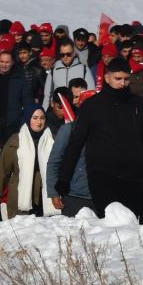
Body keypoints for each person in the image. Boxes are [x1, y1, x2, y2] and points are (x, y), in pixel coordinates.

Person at [55, 58, 143, 223]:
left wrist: (140, 160)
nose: (122, 83)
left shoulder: (137, 104)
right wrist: (64, 178)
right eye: (118, 79)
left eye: (126, 79)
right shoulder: (92, 105)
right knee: (109, 222)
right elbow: (76, 143)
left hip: (132, 176)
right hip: (101, 175)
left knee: (128, 224)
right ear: (107, 77)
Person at [0, 105, 55, 218]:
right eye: (35, 118)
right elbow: (2, 171)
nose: (39, 122)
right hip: (19, 197)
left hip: (45, 198)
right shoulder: (16, 140)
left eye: (42, 118)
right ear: (28, 119)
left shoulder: (52, 139)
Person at [45, 88, 93, 217]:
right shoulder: (68, 130)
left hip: (101, 194)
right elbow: (54, 162)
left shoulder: (106, 132)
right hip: (74, 195)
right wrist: (53, 193)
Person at [0, 51, 33, 146]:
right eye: (2, 61)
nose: (4, 65)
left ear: (12, 62)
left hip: (12, 124)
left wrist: (22, 121)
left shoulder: (19, 80)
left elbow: (27, 103)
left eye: (7, 62)